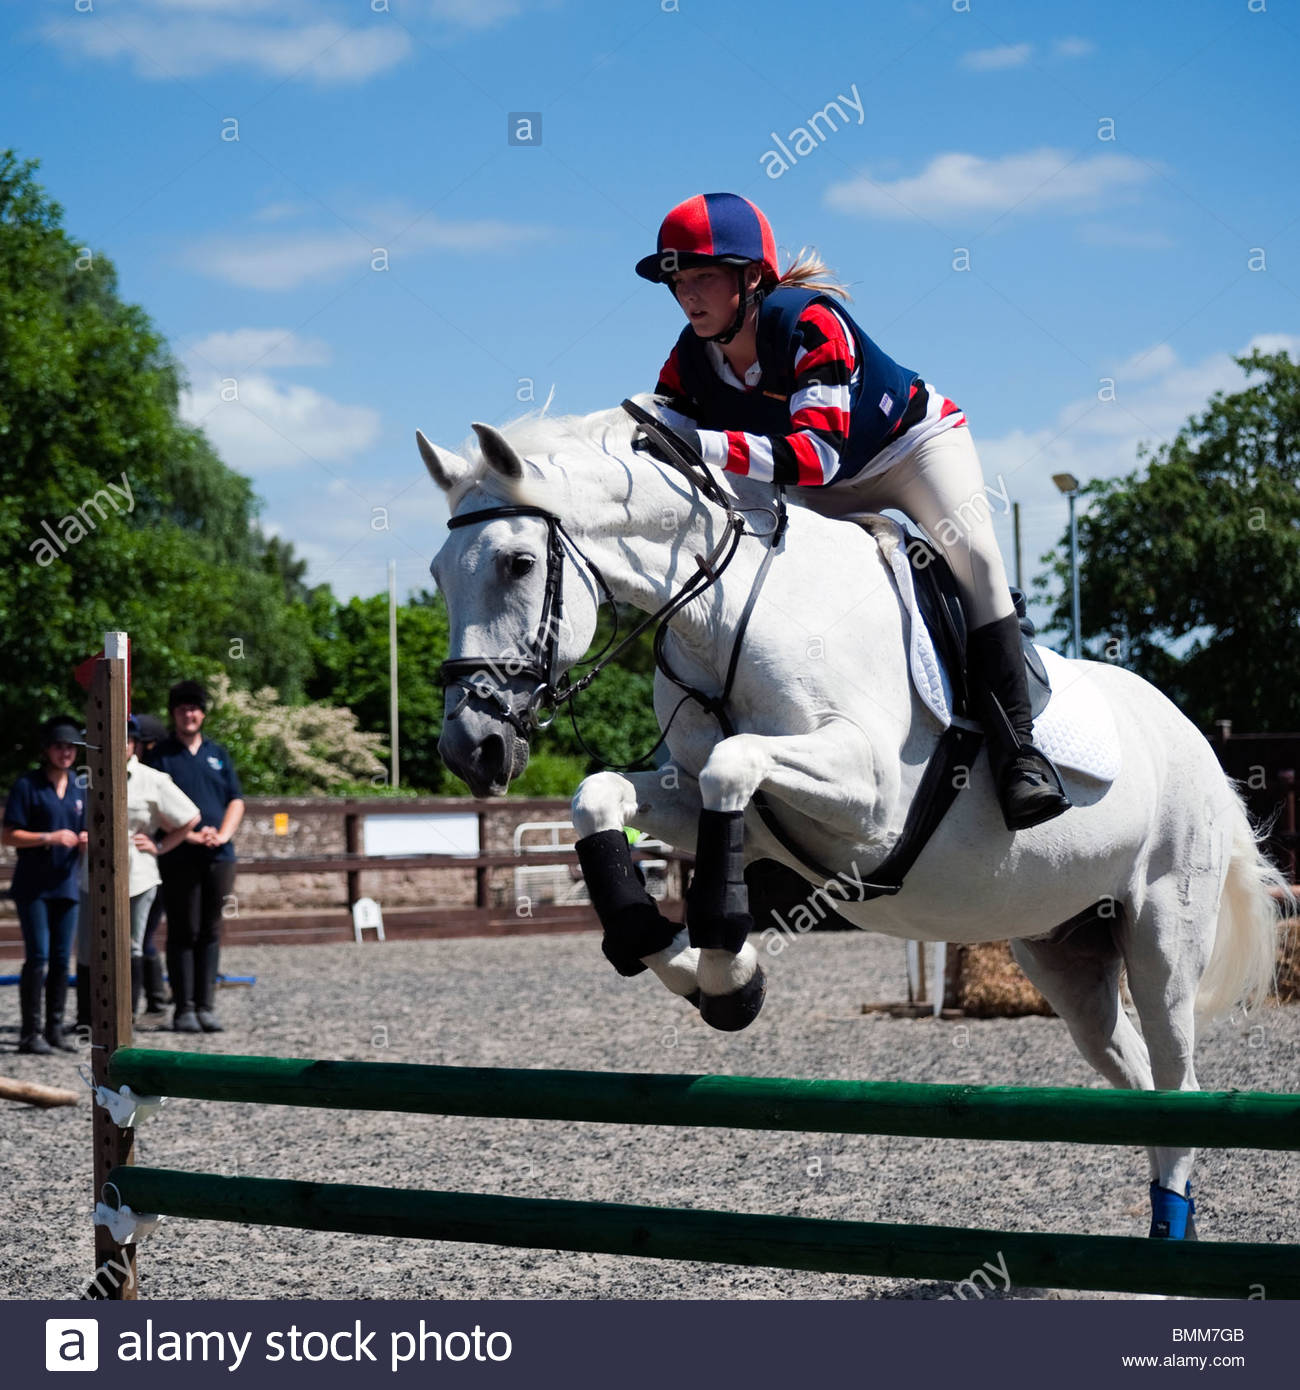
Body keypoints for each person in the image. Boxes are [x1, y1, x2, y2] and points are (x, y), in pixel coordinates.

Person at [635, 192, 1070, 831]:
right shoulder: (689, 355)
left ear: (751, 277)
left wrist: (699, 444)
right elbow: (657, 438)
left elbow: (816, 457)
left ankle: (1020, 753)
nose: (688, 296)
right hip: (821, 478)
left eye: (703, 277)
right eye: (678, 282)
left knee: (971, 554)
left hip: (910, 449)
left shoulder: (811, 321)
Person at [75, 716, 200, 1023]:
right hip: (93, 869)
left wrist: (160, 845)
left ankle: (124, 1016)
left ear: (136, 745)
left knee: (131, 944)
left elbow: (189, 817)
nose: (120, 747)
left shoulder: (153, 779)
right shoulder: (87, 775)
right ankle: (86, 1016)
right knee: (88, 945)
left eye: (127, 741)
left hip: (137, 872)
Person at [147, 681, 244, 1033]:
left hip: (219, 853)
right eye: (182, 708)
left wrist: (222, 834)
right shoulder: (161, 757)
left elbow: (235, 799)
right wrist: (188, 835)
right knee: (182, 930)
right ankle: (183, 1007)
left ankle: (206, 1005)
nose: (189, 714)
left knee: (211, 930)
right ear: (174, 713)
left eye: (195, 708)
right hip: (179, 853)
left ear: (203, 713)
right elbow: (154, 808)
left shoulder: (218, 754)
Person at [2, 716, 88, 1053]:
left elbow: (84, 828)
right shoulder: (27, 785)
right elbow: (9, 835)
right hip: (34, 886)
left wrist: (84, 839)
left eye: (70, 748)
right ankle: (29, 1032)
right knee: (37, 956)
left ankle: (55, 1028)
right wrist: (47, 837)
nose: (65, 753)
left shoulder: (80, 787)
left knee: (61, 958)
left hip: (67, 883)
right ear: (47, 750)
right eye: (59, 747)